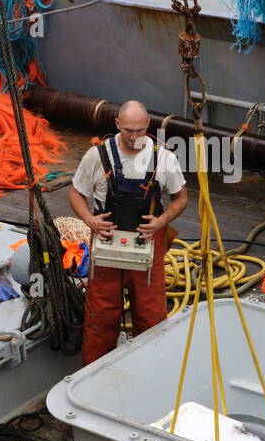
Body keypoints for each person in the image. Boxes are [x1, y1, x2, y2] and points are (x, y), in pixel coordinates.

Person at [69, 100, 188, 365]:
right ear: (117, 125)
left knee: (151, 318)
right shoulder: (96, 156)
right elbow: (76, 193)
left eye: (139, 130)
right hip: (105, 243)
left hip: (149, 243)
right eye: (128, 131)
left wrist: (161, 222)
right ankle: (94, 376)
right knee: (100, 317)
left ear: (148, 125)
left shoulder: (164, 158)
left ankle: (149, 372)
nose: (134, 137)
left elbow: (181, 198)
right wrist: (90, 220)